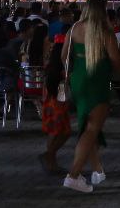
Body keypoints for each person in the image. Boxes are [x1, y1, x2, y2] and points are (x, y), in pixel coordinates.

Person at [62, 0, 120, 193]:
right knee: (91, 128)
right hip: (97, 81)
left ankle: (98, 170)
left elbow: (64, 56)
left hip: (78, 80)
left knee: (88, 126)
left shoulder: (74, 28)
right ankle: (73, 175)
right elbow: (116, 60)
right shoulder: (104, 32)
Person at [39, 33, 72, 175]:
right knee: (64, 132)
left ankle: (51, 161)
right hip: (58, 103)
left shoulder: (50, 65)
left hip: (50, 103)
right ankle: (49, 155)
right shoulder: (63, 67)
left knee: (54, 133)